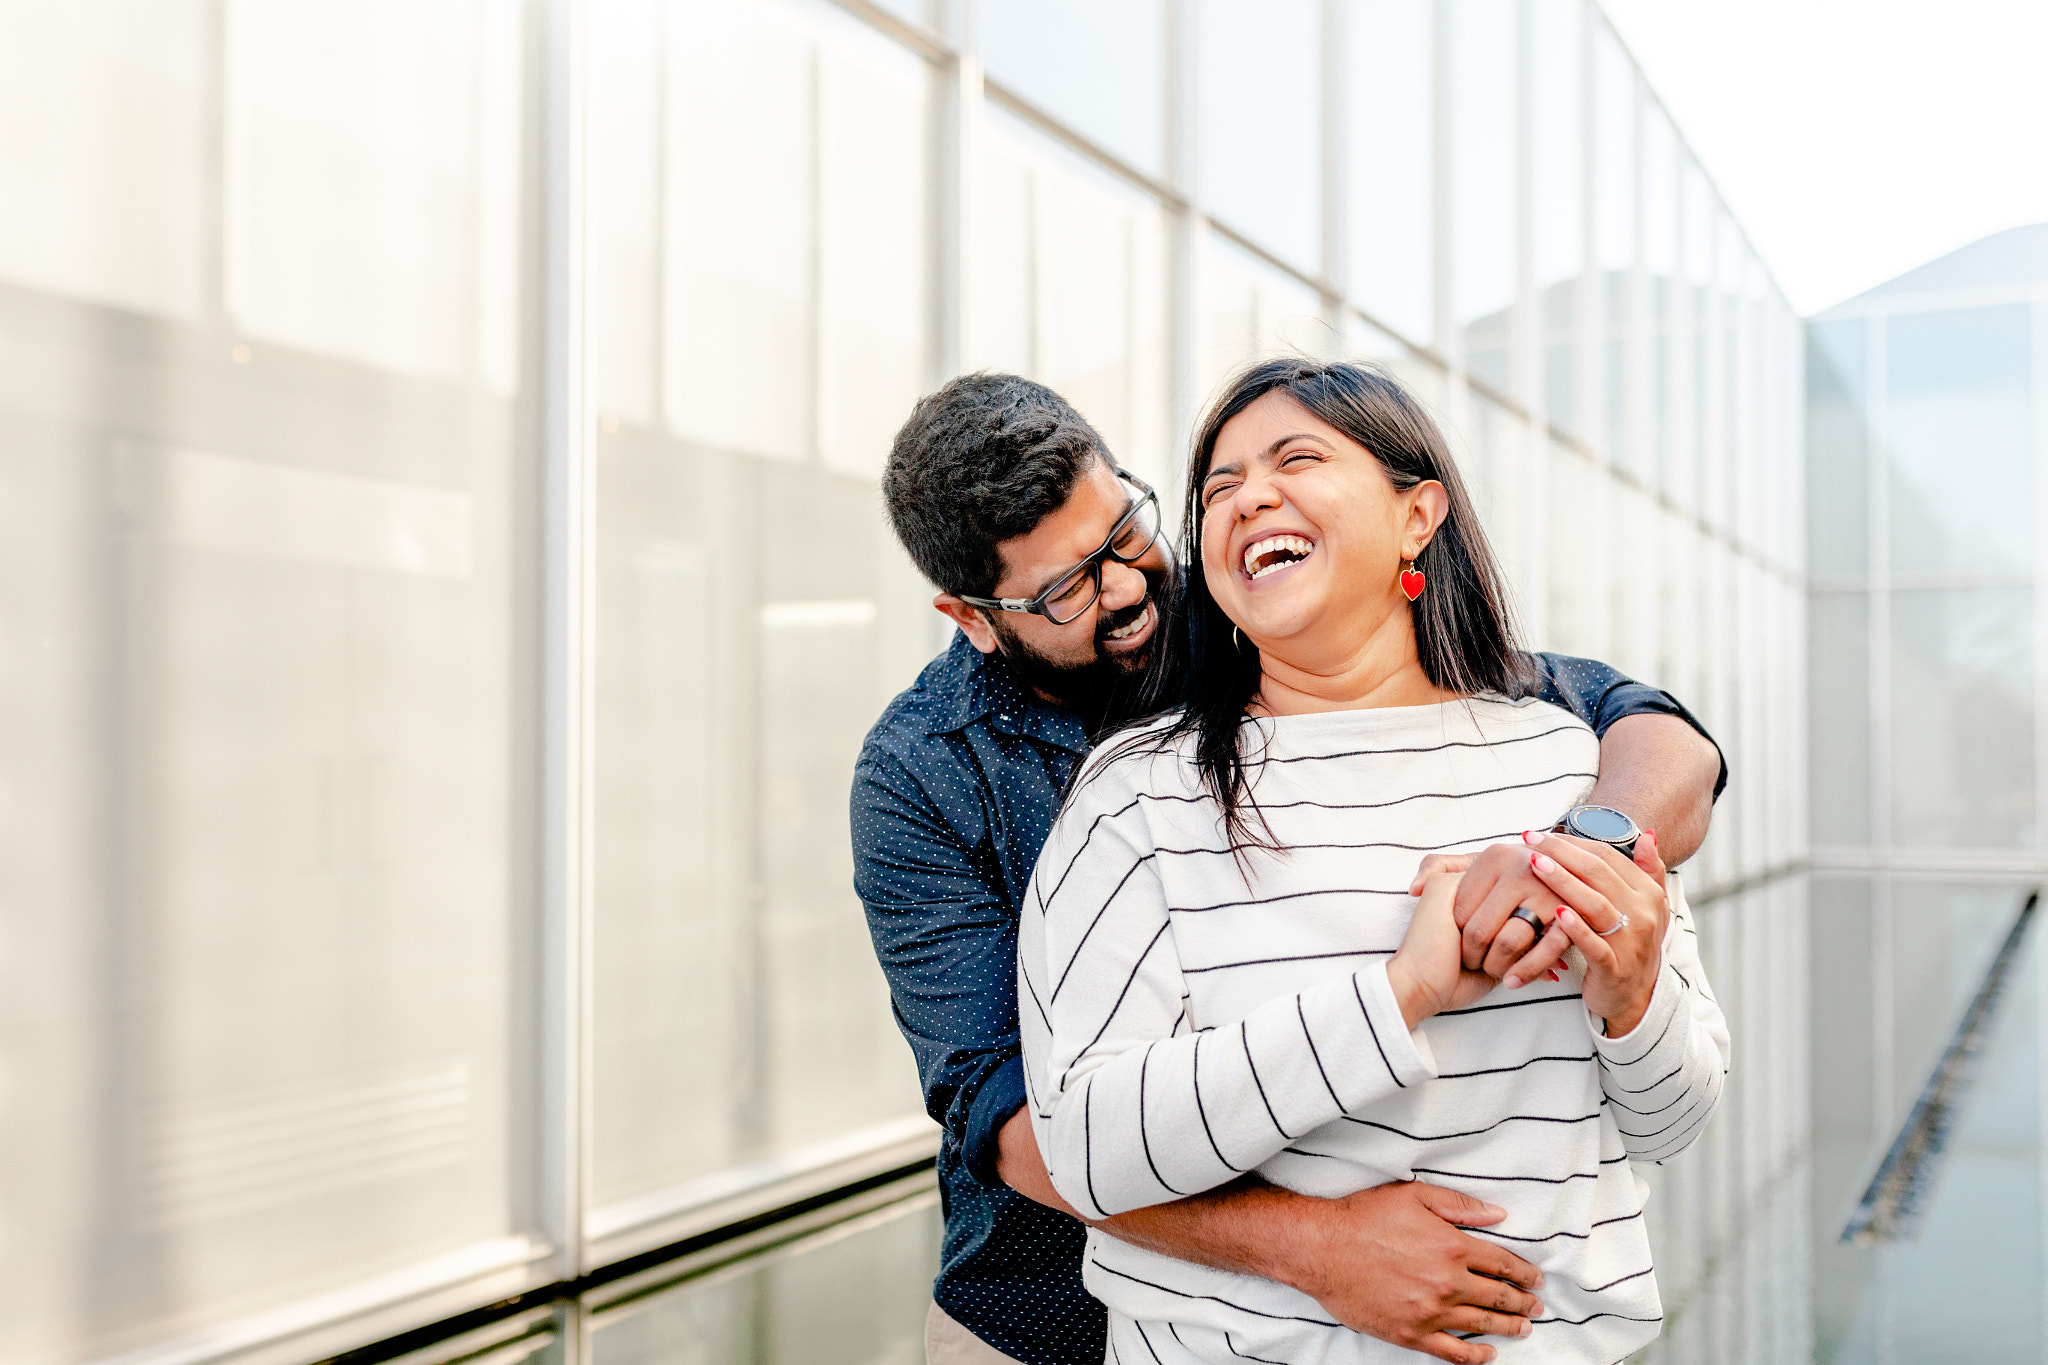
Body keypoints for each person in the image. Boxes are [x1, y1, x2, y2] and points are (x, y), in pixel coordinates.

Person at [852, 372, 1726, 1365]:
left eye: (1126, 531)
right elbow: (1012, 1117)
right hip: (1042, 1313)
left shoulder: (1260, 617)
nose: (1129, 586)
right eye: (1066, 587)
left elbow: (1646, 729)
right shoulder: (927, 774)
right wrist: (1318, 1248)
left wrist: (1590, 862)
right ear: (970, 616)